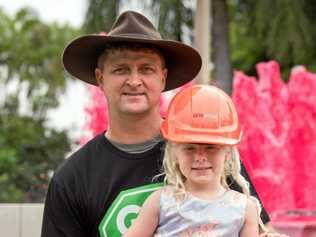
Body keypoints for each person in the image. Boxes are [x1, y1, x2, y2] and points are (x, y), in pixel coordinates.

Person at [41, 10, 286, 237]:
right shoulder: (72, 179)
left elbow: (261, 230)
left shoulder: (208, 149)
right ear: (100, 78)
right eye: (121, 69)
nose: (134, 81)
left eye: (146, 69)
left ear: (163, 77)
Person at [124, 84, 264, 237]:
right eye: (190, 148)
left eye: (211, 147)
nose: (200, 157)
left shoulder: (244, 208)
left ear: (228, 153)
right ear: (175, 153)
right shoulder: (160, 202)